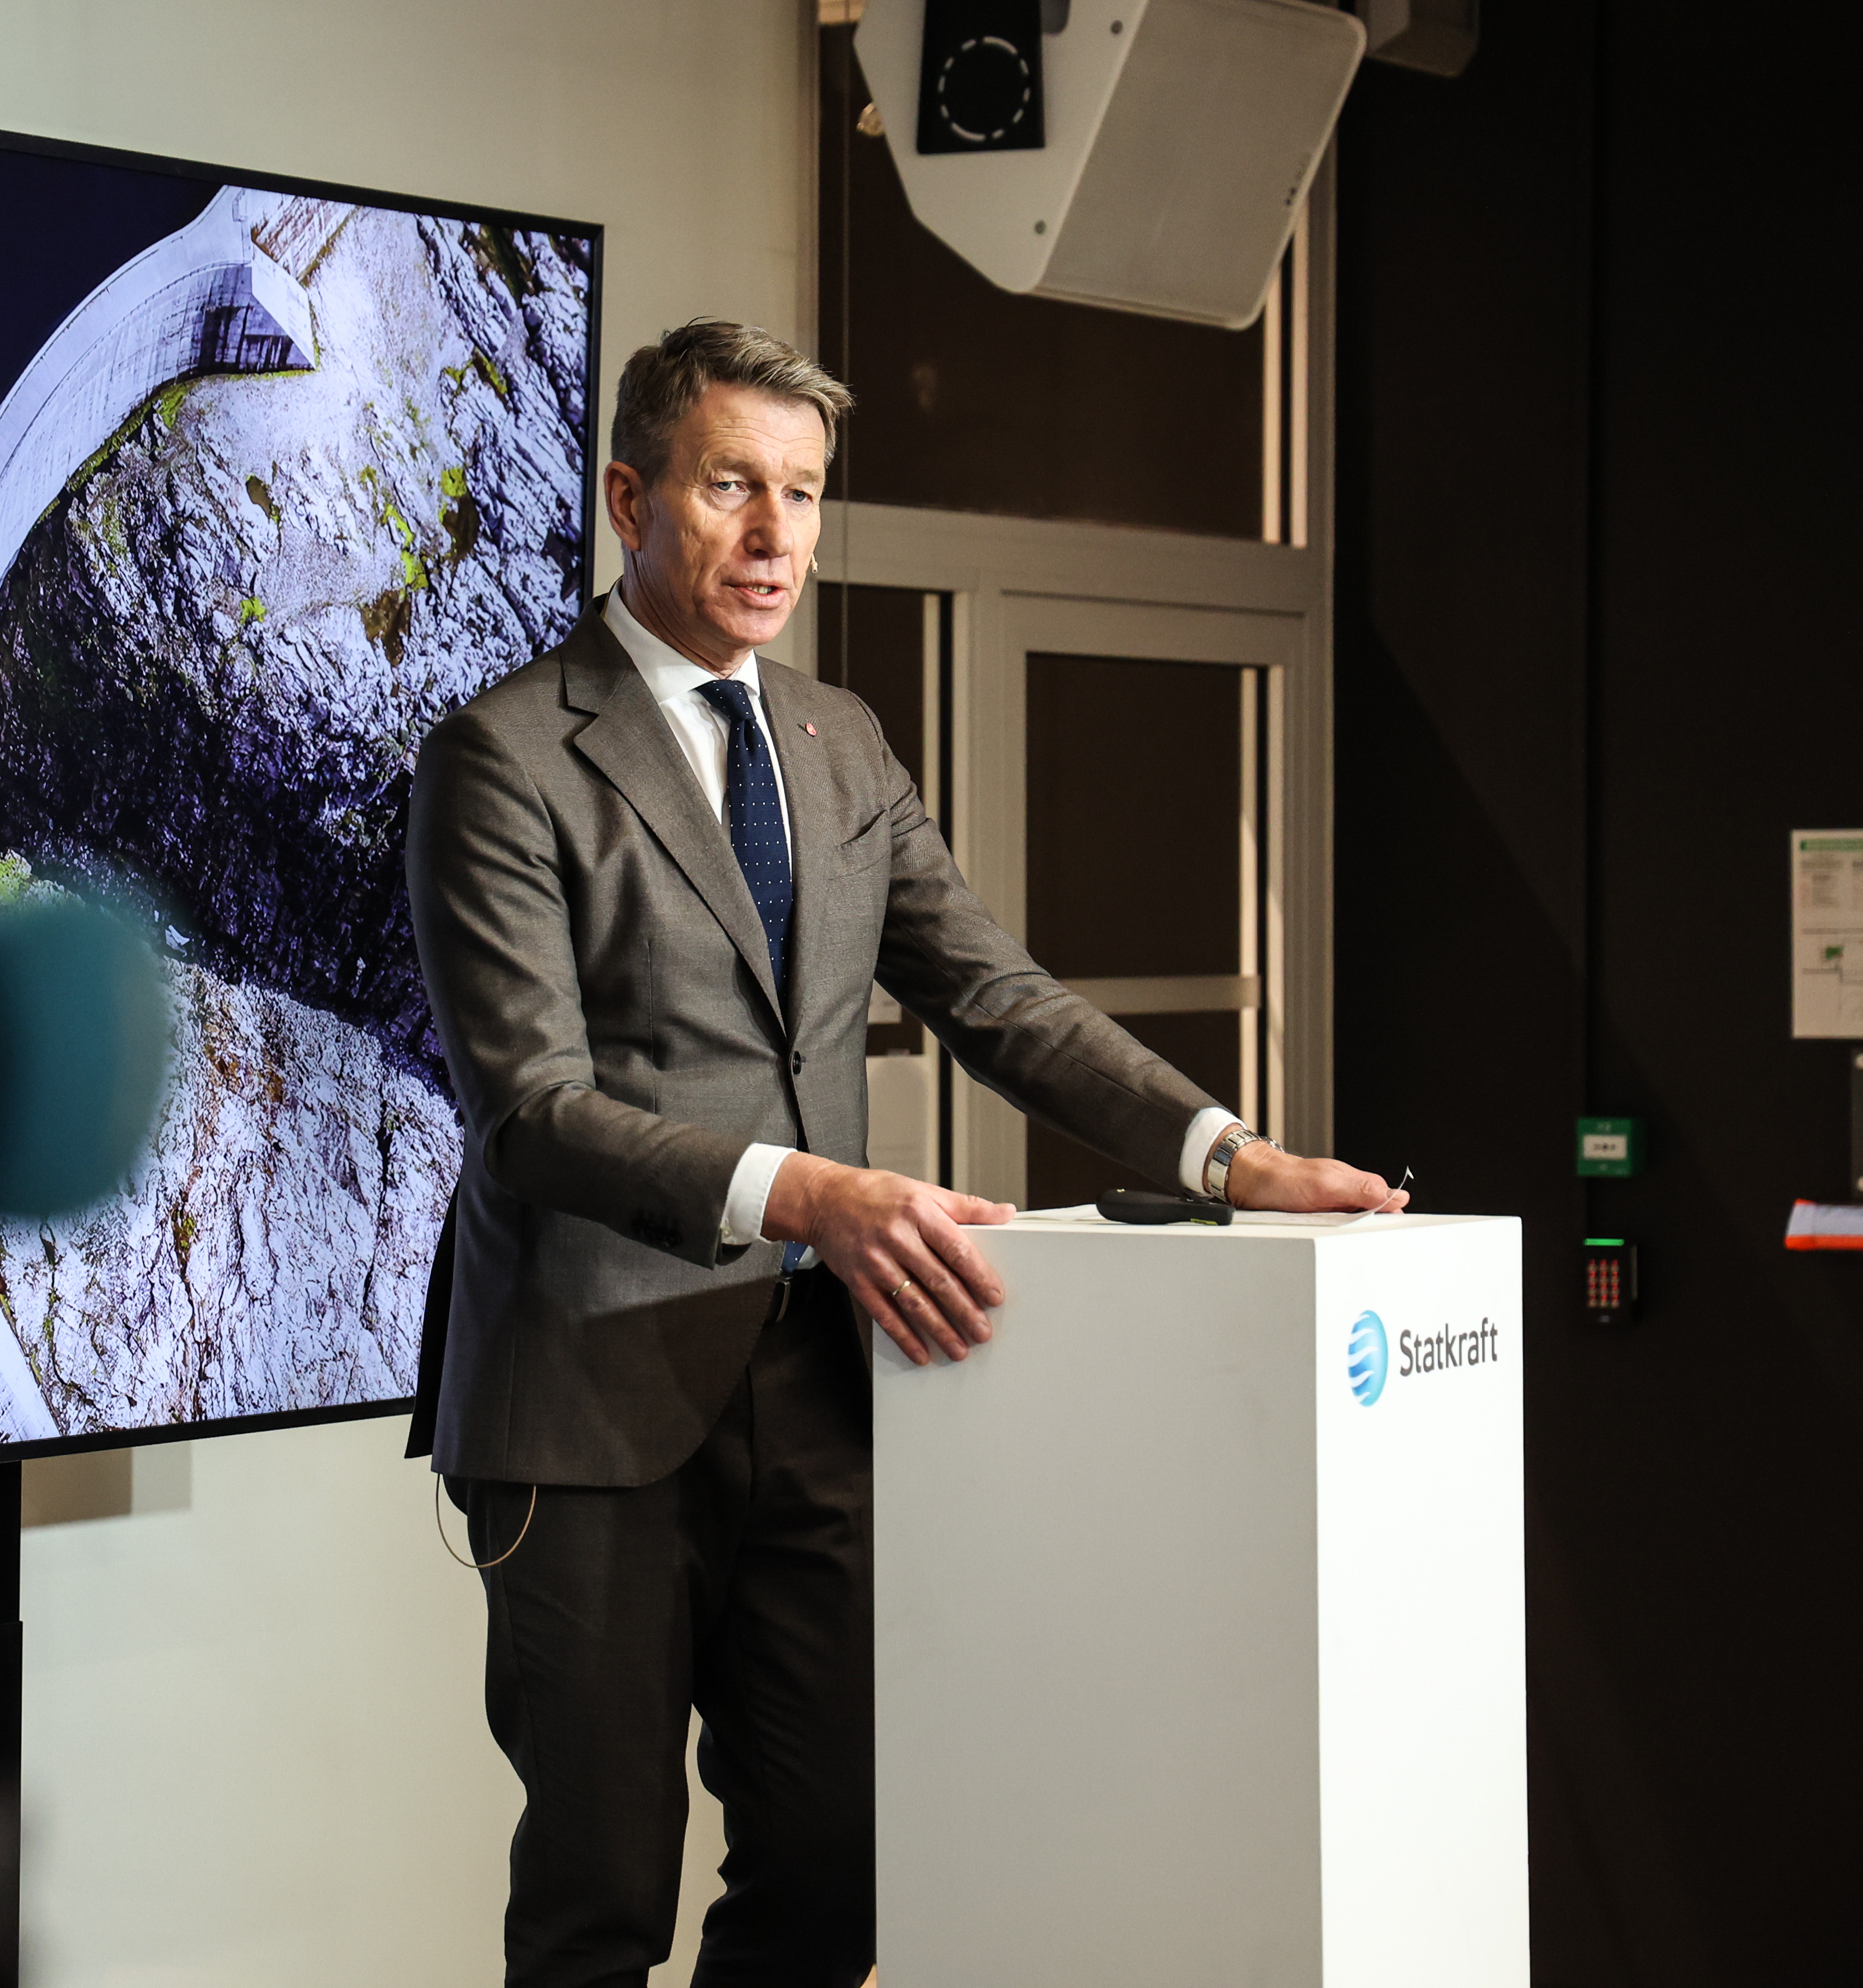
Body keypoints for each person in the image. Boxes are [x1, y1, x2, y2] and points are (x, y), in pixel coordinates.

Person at [402, 320, 1397, 1988]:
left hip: (816, 1386)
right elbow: (532, 1111)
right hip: (585, 1405)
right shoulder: (502, 757)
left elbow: (995, 997)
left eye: (802, 493)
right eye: (733, 486)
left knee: (848, 1873)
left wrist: (1228, 1155)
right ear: (630, 498)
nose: (779, 534)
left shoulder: (844, 741)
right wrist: (815, 1196)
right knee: (596, 1906)